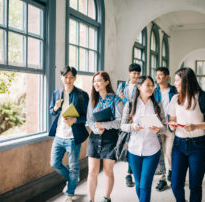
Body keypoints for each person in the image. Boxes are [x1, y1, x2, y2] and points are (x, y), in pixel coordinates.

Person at [168, 67, 205, 202]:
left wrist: (196, 126)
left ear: (186, 82)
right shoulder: (174, 99)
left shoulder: (204, 97)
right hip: (178, 144)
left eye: (177, 80)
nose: (174, 83)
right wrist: (172, 126)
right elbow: (172, 120)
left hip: (199, 146)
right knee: (175, 183)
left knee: (195, 186)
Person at [121, 76, 167, 202]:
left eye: (152, 85)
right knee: (139, 185)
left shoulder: (157, 105)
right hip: (133, 150)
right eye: (148, 85)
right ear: (139, 87)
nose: (151, 88)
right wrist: (133, 126)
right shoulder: (130, 105)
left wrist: (159, 129)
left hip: (152, 150)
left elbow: (164, 127)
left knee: (145, 185)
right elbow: (123, 126)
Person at [49, 66, 89, 202]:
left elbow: (87, 117)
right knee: (54, 163)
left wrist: (75, 119)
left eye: (71, 77)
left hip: (73, 137)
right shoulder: (57, 93)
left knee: (74, 167)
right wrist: (55, 107)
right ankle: (73, 178)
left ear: (75, 78)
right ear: (61, 77)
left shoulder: (82, 95)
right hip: (59, 136)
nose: (68, 79)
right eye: (66, 77)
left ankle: (70, 193)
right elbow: (51, 112)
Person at [87, 71, 124, 202]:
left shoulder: (116, 100)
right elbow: (89, 121)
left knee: (108, 170)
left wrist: (104, 125)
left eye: (99, 80)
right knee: (92, 171)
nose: (96, 83)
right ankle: (91, 200)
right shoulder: (92, 100)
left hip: (110, 137)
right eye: (94, 81)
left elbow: (120, 122)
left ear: (106, 82)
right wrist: (97, 129)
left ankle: (106, 198)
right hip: (95, 137)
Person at [116, 63, 141, 187]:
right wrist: (121, 99)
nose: (135, 75)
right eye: (133, 73)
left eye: (137, 73)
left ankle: (129, 173)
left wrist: (125, 100)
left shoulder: (140, 86)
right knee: (127, 146)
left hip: (136, 121)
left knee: (133, 147)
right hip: (125, 121)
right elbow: (118, 102)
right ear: (129, 73)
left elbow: (137, 102)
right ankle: (129, 173)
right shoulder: (122, 86)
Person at [154, 67, 177, 191]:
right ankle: (162, 178)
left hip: (171, 127)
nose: (157, 77)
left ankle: (172, 174)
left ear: (167, 76)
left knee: (169, 153)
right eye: (156, 75)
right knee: (160, 154)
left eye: (160, 75)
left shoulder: (174, 90)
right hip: (158, 127)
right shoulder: (154, 91)